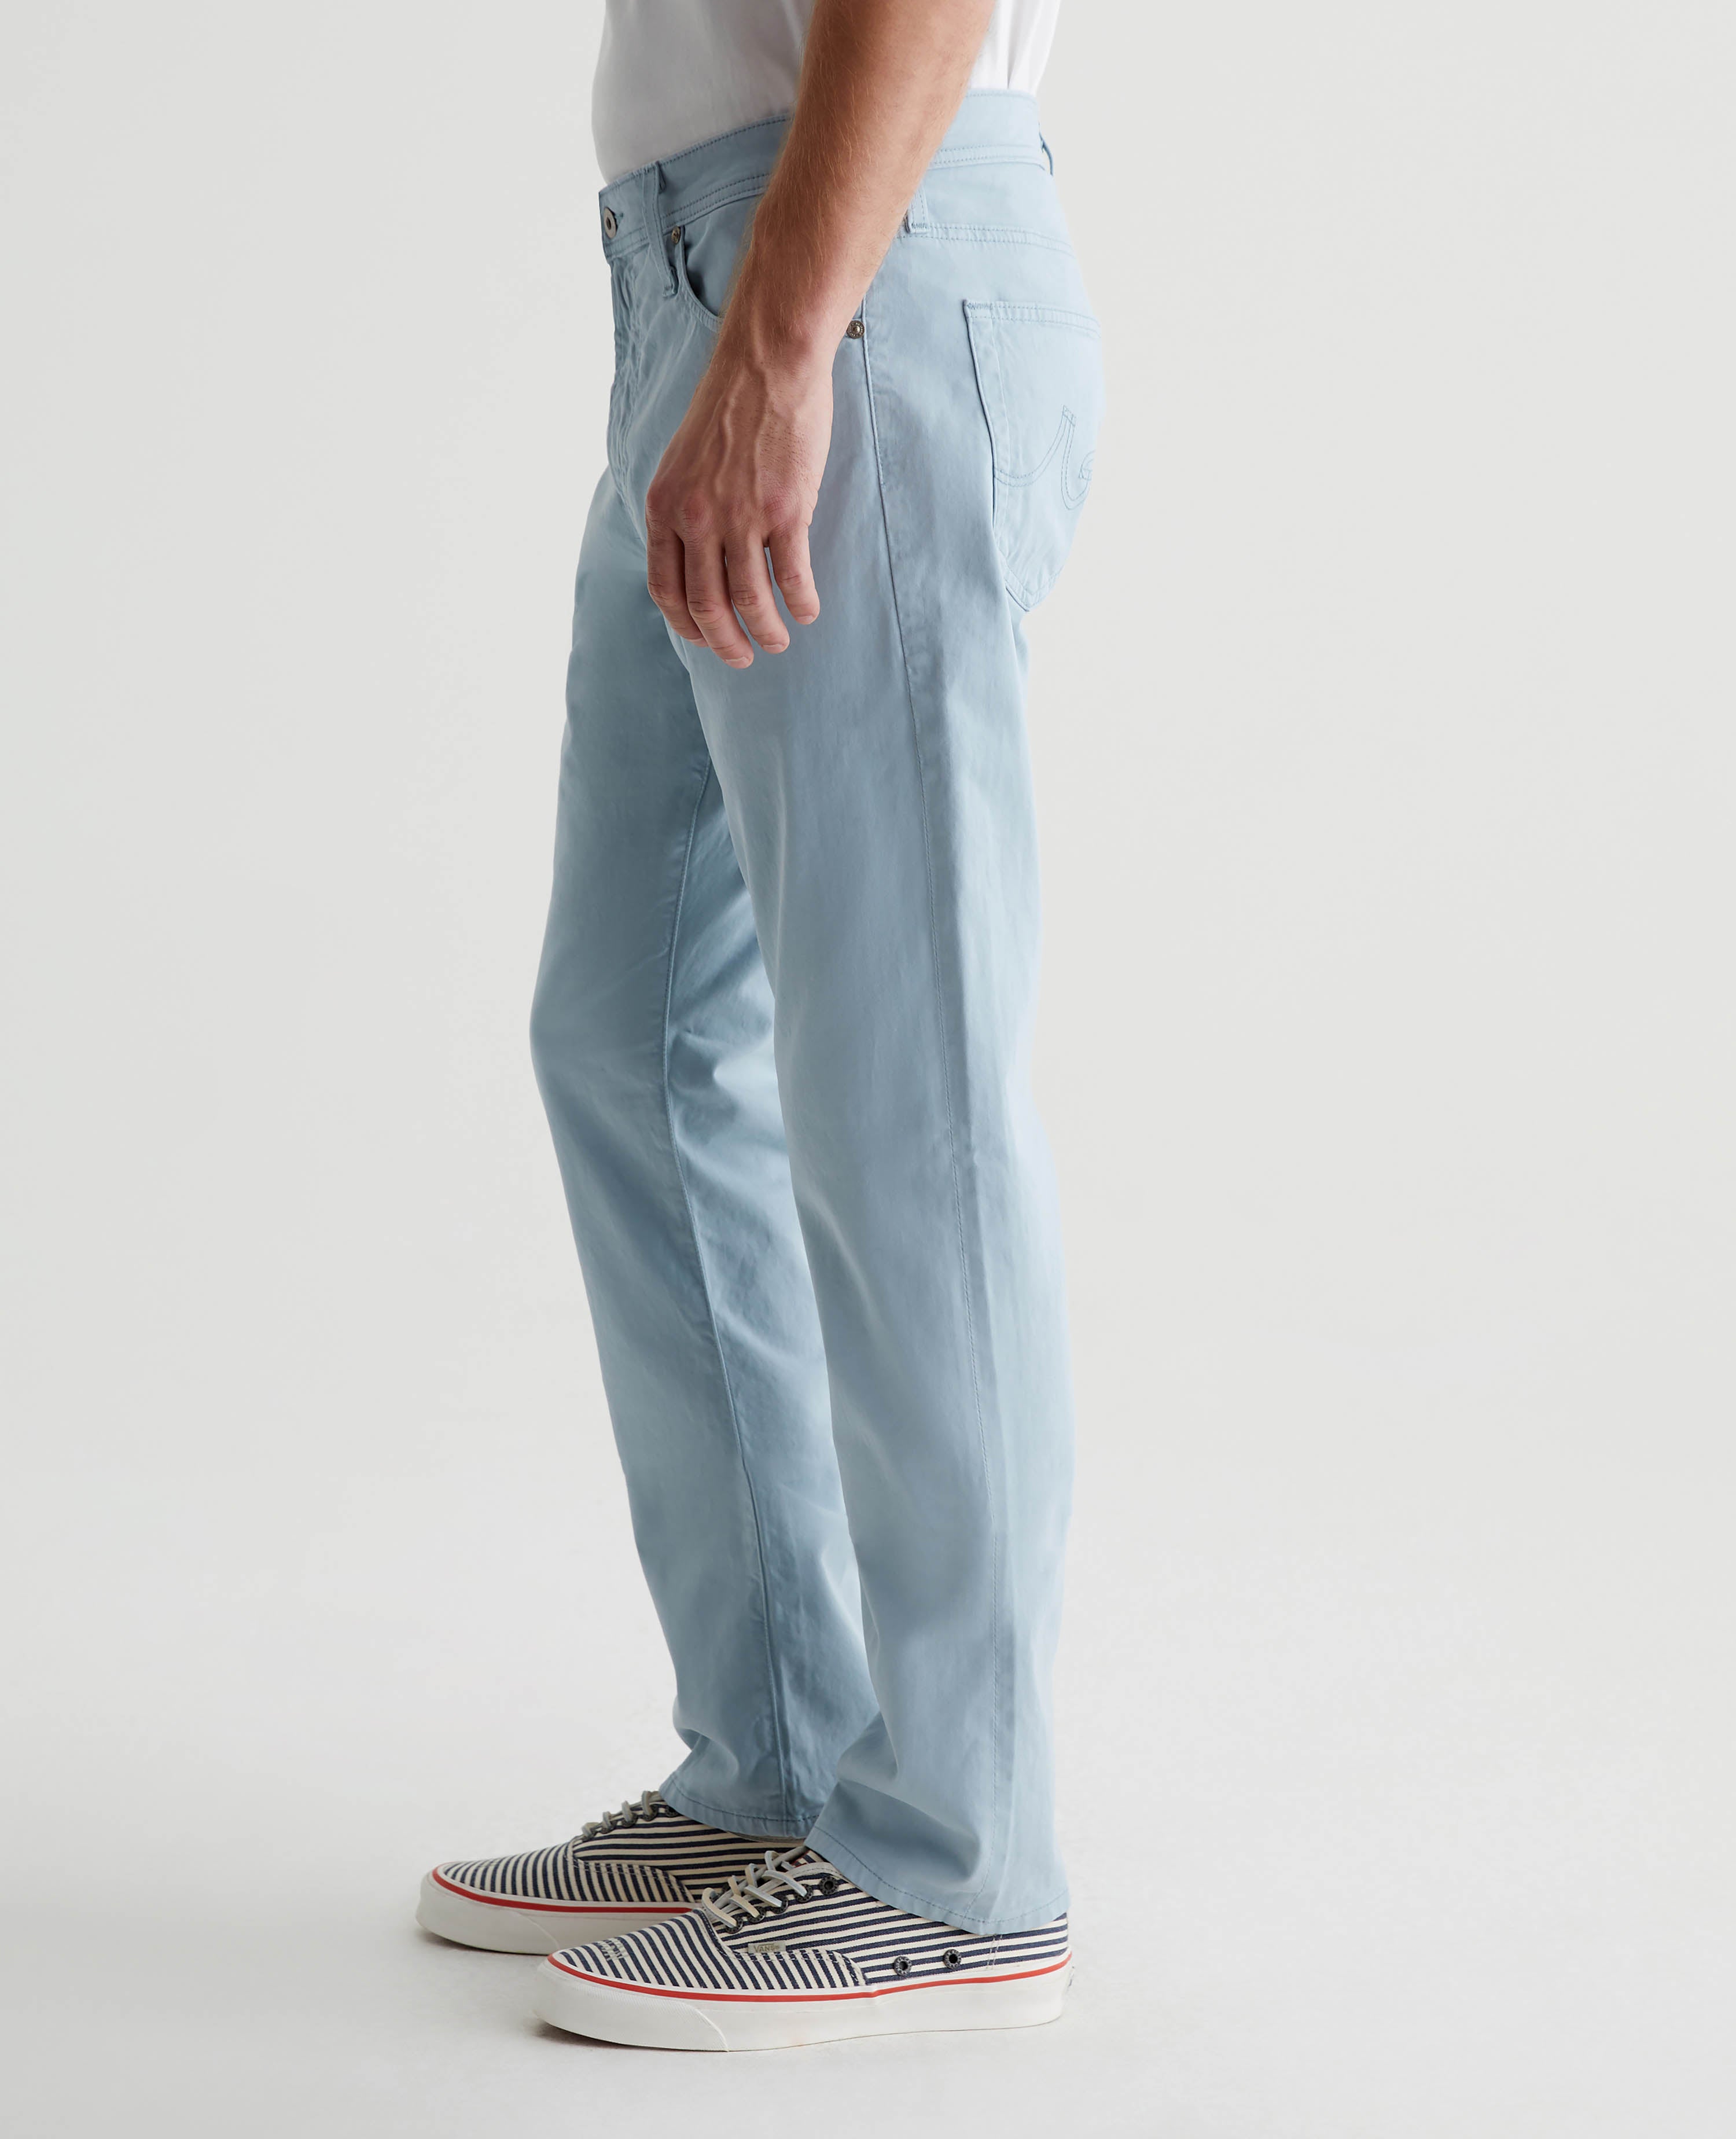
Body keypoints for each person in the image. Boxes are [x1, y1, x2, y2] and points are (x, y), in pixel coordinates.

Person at [416, 0, 1102, 2052]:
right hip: (704, 275)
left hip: (844, 275)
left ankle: (960, 1858)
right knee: (625, 1037)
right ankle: (782, 1761)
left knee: (907, 1086)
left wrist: (788, 344)